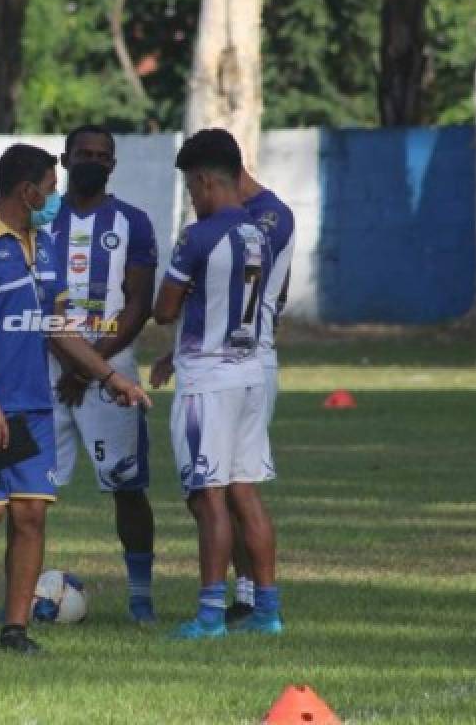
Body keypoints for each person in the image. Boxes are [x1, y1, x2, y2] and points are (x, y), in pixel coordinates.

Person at [0, 143, 151, 654]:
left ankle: (15, 630)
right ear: (28, 191)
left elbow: (57, 329)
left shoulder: (44, 244)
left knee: (31, 514)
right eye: (52, 189)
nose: (56, 198)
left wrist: (108, 377)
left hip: (33, 404)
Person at [150, 128, 283, 639]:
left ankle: (210, 615)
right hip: (251, 374)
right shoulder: (258, 234)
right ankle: (267, 610)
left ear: (205, 181)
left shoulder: (198, 235)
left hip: (207, 380)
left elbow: (164, 309)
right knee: (244, 491)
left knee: (208, 497)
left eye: (190, 188)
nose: (191, 198)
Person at [46, 125, 158, 623]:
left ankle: (140, 597)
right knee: (29, 487)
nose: (92, 161)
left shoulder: (133, 222)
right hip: (43, 368)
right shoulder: (40, 219)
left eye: (101, 155)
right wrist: (73, 363)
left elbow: (139, 304)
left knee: (127, 487)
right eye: (83, 153)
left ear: (113, 164)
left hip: (112, 368)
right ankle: (18, 589)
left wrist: (92, 365)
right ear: (64, 158)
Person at [224, 166, 296, 624]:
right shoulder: (249, 216)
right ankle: (248, 596)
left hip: (247, 362)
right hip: (233, 361)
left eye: (197, 185)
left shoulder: (269, 217)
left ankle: (259, 599)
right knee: (224, 490)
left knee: (236, 487)